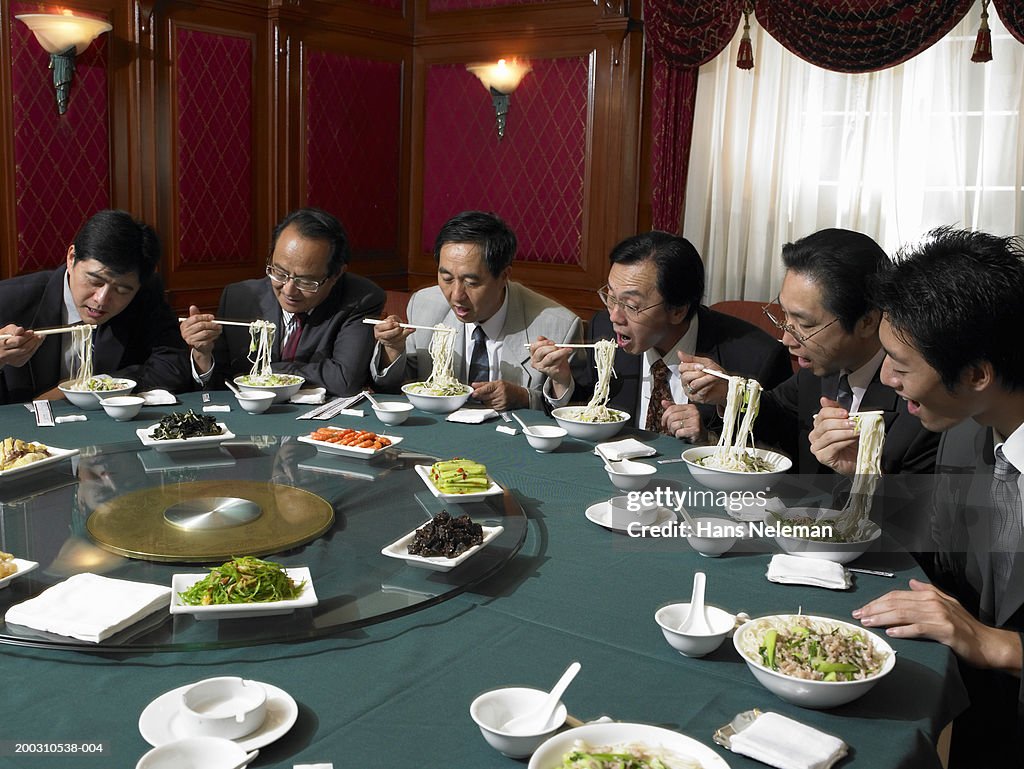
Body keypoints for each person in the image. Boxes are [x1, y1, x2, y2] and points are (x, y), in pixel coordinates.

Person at [851, 227, 1024, 768]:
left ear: (976, 373)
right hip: (979, 723)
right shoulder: (967, 429)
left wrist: (998, 645)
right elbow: (944, 560)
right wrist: (860, 478)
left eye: (901, 365)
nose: (886, 379)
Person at [683, 228, 938, 474]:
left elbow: (925, 510)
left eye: (804, 324)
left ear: (867, 322)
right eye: (784, 315)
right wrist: (730, 394)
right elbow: (777, 413)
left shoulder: (922, 401)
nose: (785, 339)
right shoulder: (820, 369)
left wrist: (865, 471)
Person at [545, 231, 792, 438]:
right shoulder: (604, 330)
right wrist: (561, 381)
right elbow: (588, 407)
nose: (614, 316)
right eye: (610, 297)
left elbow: (780, 448)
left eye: (631, 305)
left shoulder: (757, 358)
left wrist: (711, 434)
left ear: (677, 310)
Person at [371, 211, 582, 411]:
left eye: (471, 282)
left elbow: (576, 408)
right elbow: (395, 387)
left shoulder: (558, 326)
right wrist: (393, 349)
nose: (456, 295)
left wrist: (524, 397)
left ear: (504, 275)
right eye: (446, 279)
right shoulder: (425, 304)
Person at [180, 208, 384, 397]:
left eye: (306, 281)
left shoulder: (360, 298)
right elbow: (219, 384)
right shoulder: (239, 297)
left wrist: (267, 372)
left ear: (336, 274)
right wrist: (202, 354)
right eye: (279, 272)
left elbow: (344, 379)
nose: (288, 290)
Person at [0, 209, 186, 404]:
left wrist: (90, 387)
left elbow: (173, 365)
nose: (101, 299)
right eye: (95, 281)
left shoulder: (145, 295)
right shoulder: (9, 301)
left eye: (121, 290)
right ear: (72, 258)